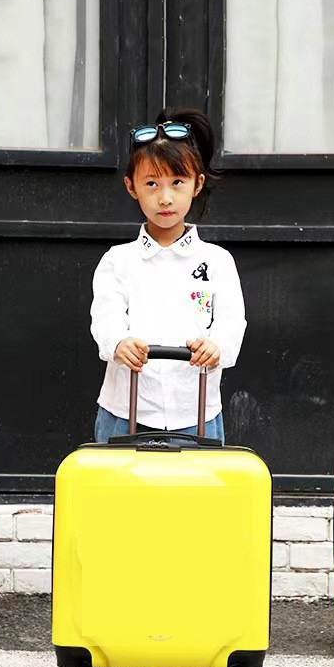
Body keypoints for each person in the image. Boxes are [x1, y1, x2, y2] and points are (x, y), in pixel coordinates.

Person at [90, 107, 246, 444]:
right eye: (152, 184)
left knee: (197, 480)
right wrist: (118, 342)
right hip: (126, 410)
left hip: (196, 411)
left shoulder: (217, 261)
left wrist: (216, 347)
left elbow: (232, 322)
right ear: (131, 187)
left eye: (177, 183)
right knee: (119, 480)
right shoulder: (118, 261)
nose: (165, 198)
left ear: (197, 184)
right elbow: (105, 316)